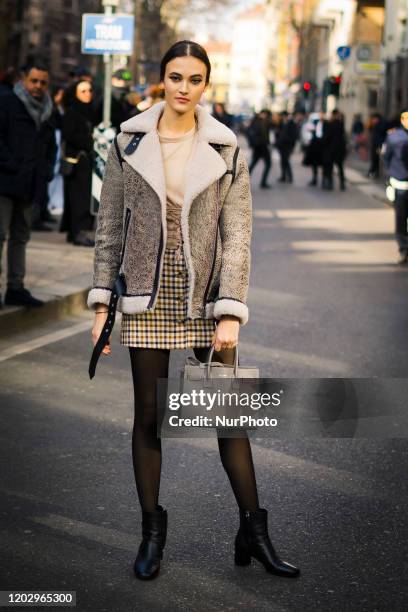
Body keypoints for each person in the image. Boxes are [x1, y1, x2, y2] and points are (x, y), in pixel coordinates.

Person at [88, 39, 300, 581]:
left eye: (195, 79)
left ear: (207, 85)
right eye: (176, 77)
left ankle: (254, 531)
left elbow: (238, 235)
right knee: (148, 418)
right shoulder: (129, 141)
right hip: (146, 295)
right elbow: (109, 227)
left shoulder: (226, 148)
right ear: (163, 79)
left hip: (207, 297)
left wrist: (231, 307)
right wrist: (101, 302)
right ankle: (152, 533)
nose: (184, 88)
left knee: (228, 417)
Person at [0, 58, 57, 308]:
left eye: (43, 82)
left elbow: (51, 146)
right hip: (4, 182)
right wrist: (13, 165)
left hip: (29, 185)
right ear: (24, 79)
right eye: (34, 80)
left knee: (21, 238)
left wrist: (43, 172)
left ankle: (15, 288)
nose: (38, 86)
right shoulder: (7, 103)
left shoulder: (47, 109)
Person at [60, 80, 98, 246]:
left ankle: (76, 231)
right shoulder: (72, 112)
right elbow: (69, 135)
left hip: (85, 162)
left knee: (82, 197)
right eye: (83, 91)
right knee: (77, 199)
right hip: (76, 162)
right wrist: (90, 141)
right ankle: (78, 232)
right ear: (75, 93)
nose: (87, 93)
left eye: (89, 90)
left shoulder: (90, 111)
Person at [382, 109, 408, 264]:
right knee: (401, 219)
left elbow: (386, 158)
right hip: (400, 183)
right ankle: (404, 249)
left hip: (400, 183)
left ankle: (404, 248)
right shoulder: (395, 137)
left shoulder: (393, 137)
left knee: (401, 219)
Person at [321, 109, 347, 191]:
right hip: (339, 149)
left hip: (331, 149)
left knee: (330, 166)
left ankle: (330, 183)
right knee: (340, 166)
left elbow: (327, 137)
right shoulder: (340, 124)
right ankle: (342, 183)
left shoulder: (330, 124)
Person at [247, 110, 272, 188]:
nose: (266, 117)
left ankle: (244, 180)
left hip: (259, 146)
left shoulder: (257, 121)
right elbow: (260, 135)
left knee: (254, 163)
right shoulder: (260, 122)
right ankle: (263, 182)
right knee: (268, 164)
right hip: (261, 146)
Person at [275, 111, 297, 183]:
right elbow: (278, 133)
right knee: (282, 161)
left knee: (286, 160)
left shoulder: (291, 124)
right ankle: (283, 176)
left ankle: (290, 176)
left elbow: (294, 135)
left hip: (288, 146)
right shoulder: (281, 123)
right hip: (281, 146)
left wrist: (292, 145)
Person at [367, 113, 387, 179]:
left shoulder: (381, 125)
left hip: (379, 145)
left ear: (377, 119)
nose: (373, 120)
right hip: (375, 145)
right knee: (374, 159)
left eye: (374, 119)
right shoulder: (374, 125)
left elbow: (382, 135)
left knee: (379, 159)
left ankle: (375, 172)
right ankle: (374, 172)